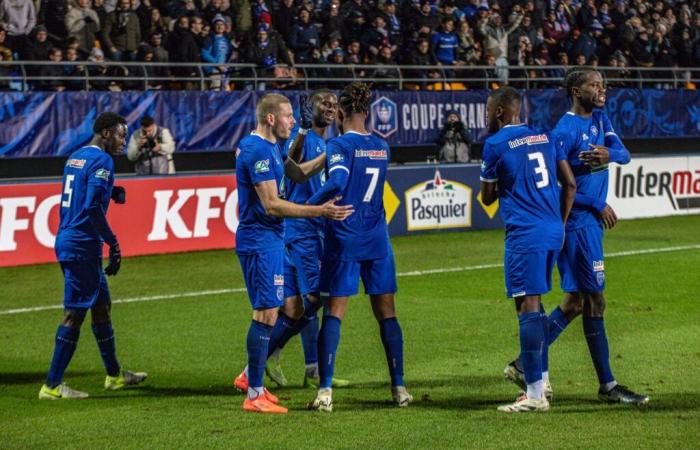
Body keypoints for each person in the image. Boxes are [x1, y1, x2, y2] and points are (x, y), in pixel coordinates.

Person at [503, 68, 649, 405]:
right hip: (578, 225)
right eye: (594, 85)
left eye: (602, 84)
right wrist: (596, 202)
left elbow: (624, 154)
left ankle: (525, 363)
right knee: (593, 301)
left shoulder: (601, 120)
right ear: (575, 90)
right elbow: (558, 187)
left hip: (590, 227)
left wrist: (608, 155)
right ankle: (609, 387)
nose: (601, 89)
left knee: (575, 302)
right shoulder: (563, 132)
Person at [233, 93, 353, 414]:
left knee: (292, 307)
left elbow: (297, 173)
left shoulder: (269, 147)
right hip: (262, 241)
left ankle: (254, 381)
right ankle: (253, 389)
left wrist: (331, 156)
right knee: (267, 313)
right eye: (288, 117)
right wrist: (318, 211)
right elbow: (272, 204)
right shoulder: (257, 149)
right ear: (271, 118)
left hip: (275, 239)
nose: (293, 121)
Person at [305, 82, 412, 413]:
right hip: (377, 238)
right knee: (387, 313)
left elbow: (336, 182)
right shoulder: (382, 146)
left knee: (334, 313)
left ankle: (324, 393)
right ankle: (400, 388)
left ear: (340, 113)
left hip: (345, 236)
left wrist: (307, 205)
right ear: (367, 112)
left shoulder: (338, 144)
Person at [480, 86, 576, 413]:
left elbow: (487, 197)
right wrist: (560, 223)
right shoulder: (545, 137)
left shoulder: (494, 144)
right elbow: (570, 184)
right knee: (535, 303)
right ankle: (543, 380)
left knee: (527, 306)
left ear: (498, 112)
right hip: (553, 230)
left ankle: (534, 395)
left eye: (487, 109)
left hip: (525, 233)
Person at [38, 112, 147, 400]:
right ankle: (51, 385)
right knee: (74, 314)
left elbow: (80, 195)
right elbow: (89, 208)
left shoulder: (76, 157)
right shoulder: (103, 160)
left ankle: (114, 375)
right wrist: (114, 243)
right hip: (82, 244)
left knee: (101, 306)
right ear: (107, 133)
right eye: (122, 135)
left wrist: (112, 190)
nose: (125, 141)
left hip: (70, 239)